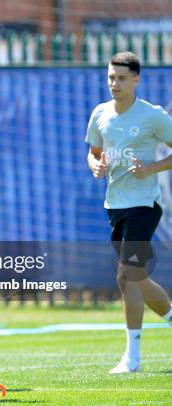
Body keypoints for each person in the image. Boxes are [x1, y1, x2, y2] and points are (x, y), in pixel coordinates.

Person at [85, 52, 172, 373]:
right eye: (111, 77)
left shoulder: (152, 115)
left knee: (125, 275)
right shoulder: (100, 114)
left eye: (121, 78)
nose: (114, 84)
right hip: (115, 205)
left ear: (136, 80)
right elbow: (93, 154)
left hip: (144, 205)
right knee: (137, 277)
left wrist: (150, 168)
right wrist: (96, 166)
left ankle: (132, 359)